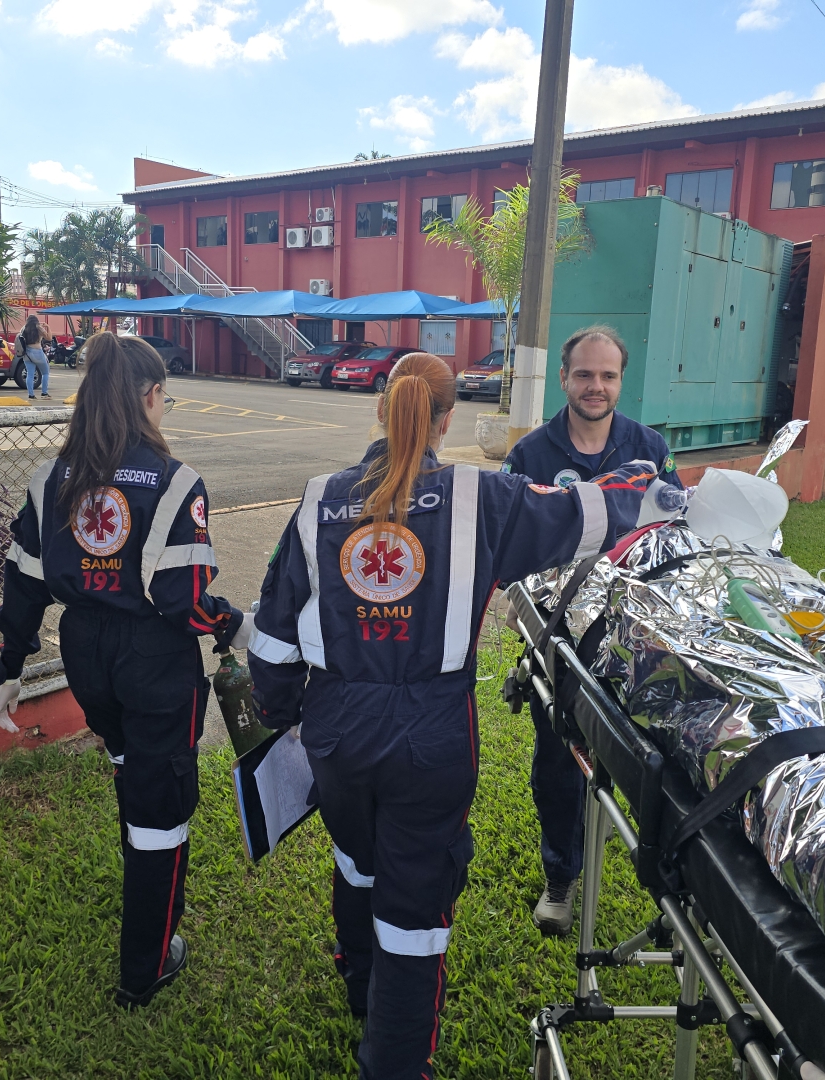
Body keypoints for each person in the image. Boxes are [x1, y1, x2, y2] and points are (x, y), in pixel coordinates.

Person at [246, 352, 654, 1080]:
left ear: (381, 407)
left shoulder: (316, 501)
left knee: (355, 861)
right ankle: (395, 1063)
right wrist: (651, 483)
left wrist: (285, 717)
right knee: (416, 908)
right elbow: (587, 514)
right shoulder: (480, 497)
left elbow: (273, 645)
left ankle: (358, 988)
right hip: (432, 737)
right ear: (446, 419)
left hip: (335, 727)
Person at [0, 332, 252, 1008]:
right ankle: (146, 965)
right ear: (148, 397)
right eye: (163, 396)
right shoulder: (174, 481)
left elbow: (22, 581)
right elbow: (183, 600)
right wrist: (229, 624)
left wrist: (9, 666)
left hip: (85, 655)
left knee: (129, 768)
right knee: (163, 807)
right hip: (154, 658)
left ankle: (140, 852)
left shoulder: (53, 478)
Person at [501, 325, 682, 937]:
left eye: (607, 376)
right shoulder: (529, 455)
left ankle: (677, 887)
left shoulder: (651, 447)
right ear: (564, 378)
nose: (596, 387)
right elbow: (507, 546)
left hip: (640, 640)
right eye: (584, 374)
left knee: (663, 760)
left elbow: (679, 532)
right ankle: (562, 875)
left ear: (620, 380)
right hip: (561, 642)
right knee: (559, 762)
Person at [15, 314, 51, 399]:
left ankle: (31, 395)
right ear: (36, 321)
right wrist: (48, 327)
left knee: (30, 374)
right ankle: (44, 393)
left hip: (26, 353)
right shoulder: (38, 328)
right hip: (37, 352)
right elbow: (49, 338)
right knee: (45, 372)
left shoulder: (23, 328)